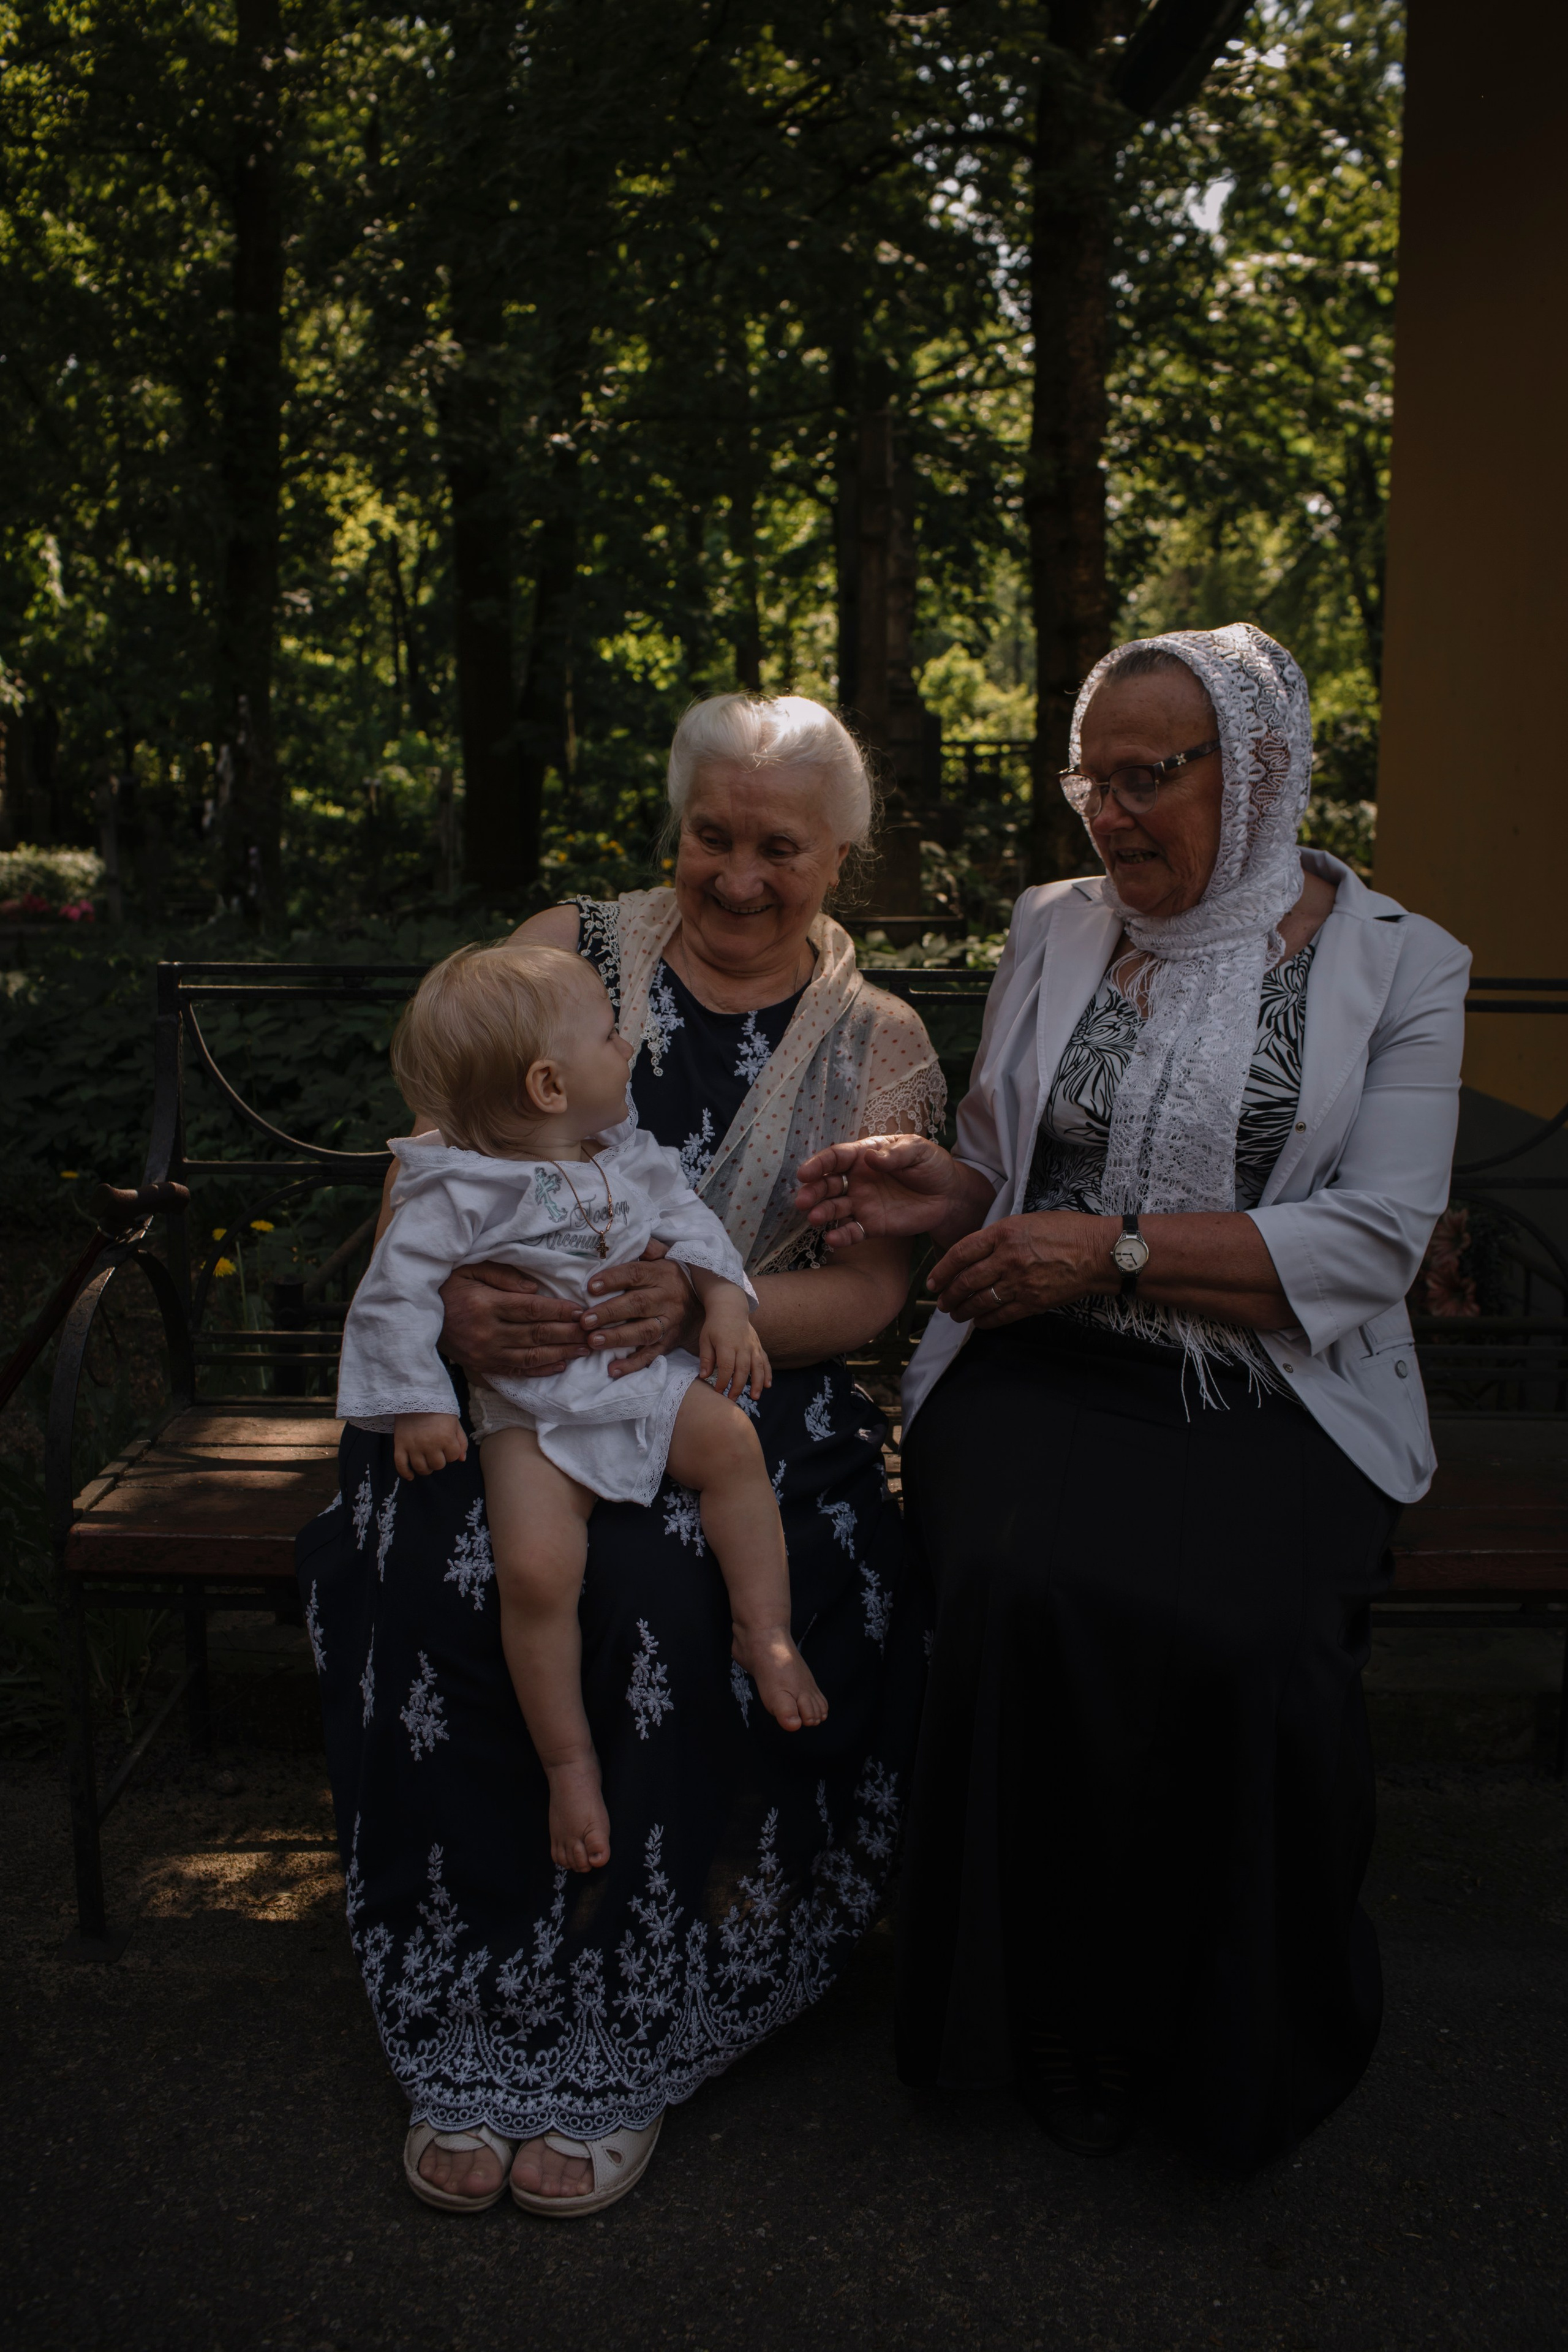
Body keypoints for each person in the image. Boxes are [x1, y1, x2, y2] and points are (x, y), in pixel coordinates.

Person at [796, 624, 1469, 2169]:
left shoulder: (1402, 964)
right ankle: (1026, 2024)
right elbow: (1005, 1172)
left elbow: (1368, 1245)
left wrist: (1105, 1253)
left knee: (1241, 1640)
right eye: (1085, 778)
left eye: (1143, 776)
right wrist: (933, 1187)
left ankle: (1214, 2048)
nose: (1103, 813)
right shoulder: (1055, 925)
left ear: (1263, 771)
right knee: (1016, 1588)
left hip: (1282, 1379)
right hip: (1037, 1361)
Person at [298, 692, 941, 2215]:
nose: (733, 874)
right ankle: (473, 2009)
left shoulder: (876, 1038)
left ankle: (632, 2018)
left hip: (735, 1386)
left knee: (664, 1585)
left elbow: (863, 1293)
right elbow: (433, 1171)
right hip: (501, 1390)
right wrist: (453, 1308)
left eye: (776, 846)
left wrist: (701, 1306)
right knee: (449, 1550)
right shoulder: (564, 948)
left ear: (837, 854)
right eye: (708, 834)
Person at [336, 941, 827, 1879]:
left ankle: (764, 1628)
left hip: (637, 1374)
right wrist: (419, 1406)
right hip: (527, 1410)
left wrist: (724, 1305)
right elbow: (395, 1295)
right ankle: (570, 1767)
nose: (628, 1044)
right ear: (550, 1084)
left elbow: (693, 1225)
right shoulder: (453, 1187)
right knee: (532, 1571)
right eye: (609, 1034)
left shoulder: (628, 1152)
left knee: (729, 1443)